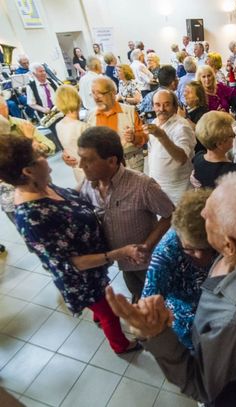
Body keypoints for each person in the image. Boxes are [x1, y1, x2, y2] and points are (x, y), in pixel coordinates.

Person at [106, 171, 236, 406]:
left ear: (227, 245)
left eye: (210, 215)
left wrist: (156, 334)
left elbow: (202, 385)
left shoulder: (233, 319)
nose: (203, 212)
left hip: (230, 379)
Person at [0, 133, 140, 354]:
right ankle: (121, 345)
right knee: (109, 313)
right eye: (39, 155)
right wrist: (119, 253)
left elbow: (68, 203)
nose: (46, 156)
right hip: (82, 278)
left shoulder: (42, 185)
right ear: (28, 171)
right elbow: (75, 262)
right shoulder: (32, 217)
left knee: (100, 304)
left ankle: (97, 313)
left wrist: (91, 176)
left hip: (95, 270)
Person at [78, 126, 174, 301]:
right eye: (80, 158)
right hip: (123, 263)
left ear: (111, 161)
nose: (80, 165)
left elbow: (170, 214)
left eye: (88, 160)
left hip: (147, 262)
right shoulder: (88, 185)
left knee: (159, 299)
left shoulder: (143, 185)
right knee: (136, 292)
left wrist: (146, 246)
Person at [142, 188, 217, 349]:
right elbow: (148, 308)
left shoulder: (225, 231)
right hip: (186, 326)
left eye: (206, 247)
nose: (199, 255)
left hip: (219, 317)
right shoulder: (165, 255)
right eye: (189, 249)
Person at [83, 77, 147, 172]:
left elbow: (144, 137)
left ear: (113, 93)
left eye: (101, 93)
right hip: (103, 167)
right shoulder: (90, 116)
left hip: (130, 164)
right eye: (93, 93)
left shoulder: (129, 111)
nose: (96, 97)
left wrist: (134, 137)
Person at [145, 89, 196, 204]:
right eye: (157, 105)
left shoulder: (182, 127)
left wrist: (162, 136)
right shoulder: (155, 122)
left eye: (166, 104)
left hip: (178, 193)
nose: (161, 109)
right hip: (158, 189)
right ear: (153, 107)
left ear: (175, 107)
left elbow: (182, 158)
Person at [54, 85, 89, 183]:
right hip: (92, 172)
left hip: (77, 172)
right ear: (78, 100)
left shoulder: (58, 125)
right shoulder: (82, 126)